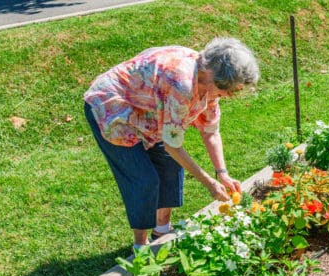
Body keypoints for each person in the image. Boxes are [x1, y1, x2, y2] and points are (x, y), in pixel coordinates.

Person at [84, 37, 260, 249]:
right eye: (233, 90)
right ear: (217, 79)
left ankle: (162, 231)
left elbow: (210, 131)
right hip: (114, 106)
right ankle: (140, 246)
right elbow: (172, 145)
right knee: (143, 178)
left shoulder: (210, 85)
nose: (232, 95)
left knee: (169, 165)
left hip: (149, 108)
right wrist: (209, 183)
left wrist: (221, 173)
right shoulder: (182, 83)